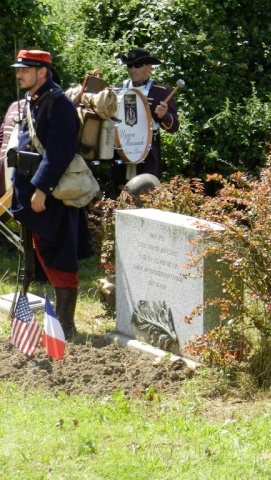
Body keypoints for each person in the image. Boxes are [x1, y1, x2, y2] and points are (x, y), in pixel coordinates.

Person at [9, 49, 93, 338]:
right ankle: (59, 322)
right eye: (18, 69)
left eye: (25, 69)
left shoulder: (58, 103)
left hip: (51, 195)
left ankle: (67, 326)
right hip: (32, 191)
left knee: (59, 254)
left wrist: (42, 189)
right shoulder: (35, 99)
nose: (19, 73)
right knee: (45, 252)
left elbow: (59, 150)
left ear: (42, 72)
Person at [111, 47, 180, 188]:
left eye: (138, 65)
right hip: (119, 152)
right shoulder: (116, 90)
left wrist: (164, 116)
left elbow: (174, 127)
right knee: (120, 193)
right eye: (129, 66)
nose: (133, 70)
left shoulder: (161, 92)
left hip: (148, 153)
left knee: (146, 194)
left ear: (149, 67)